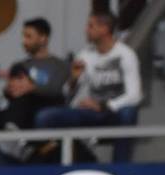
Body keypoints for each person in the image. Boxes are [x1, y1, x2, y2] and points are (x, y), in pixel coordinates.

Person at [37, 9, 142, 160]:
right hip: (91, 112)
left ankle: (121, 167)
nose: (86, 30)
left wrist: (104, 106)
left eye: (90, 26)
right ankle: (82, 160)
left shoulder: (126, 54)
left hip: (114, 112)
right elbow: (67, 94)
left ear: (104, 29)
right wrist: (73, 79)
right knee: (45, 117)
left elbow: (135, 95)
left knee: (128, 112)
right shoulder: (85, 55)